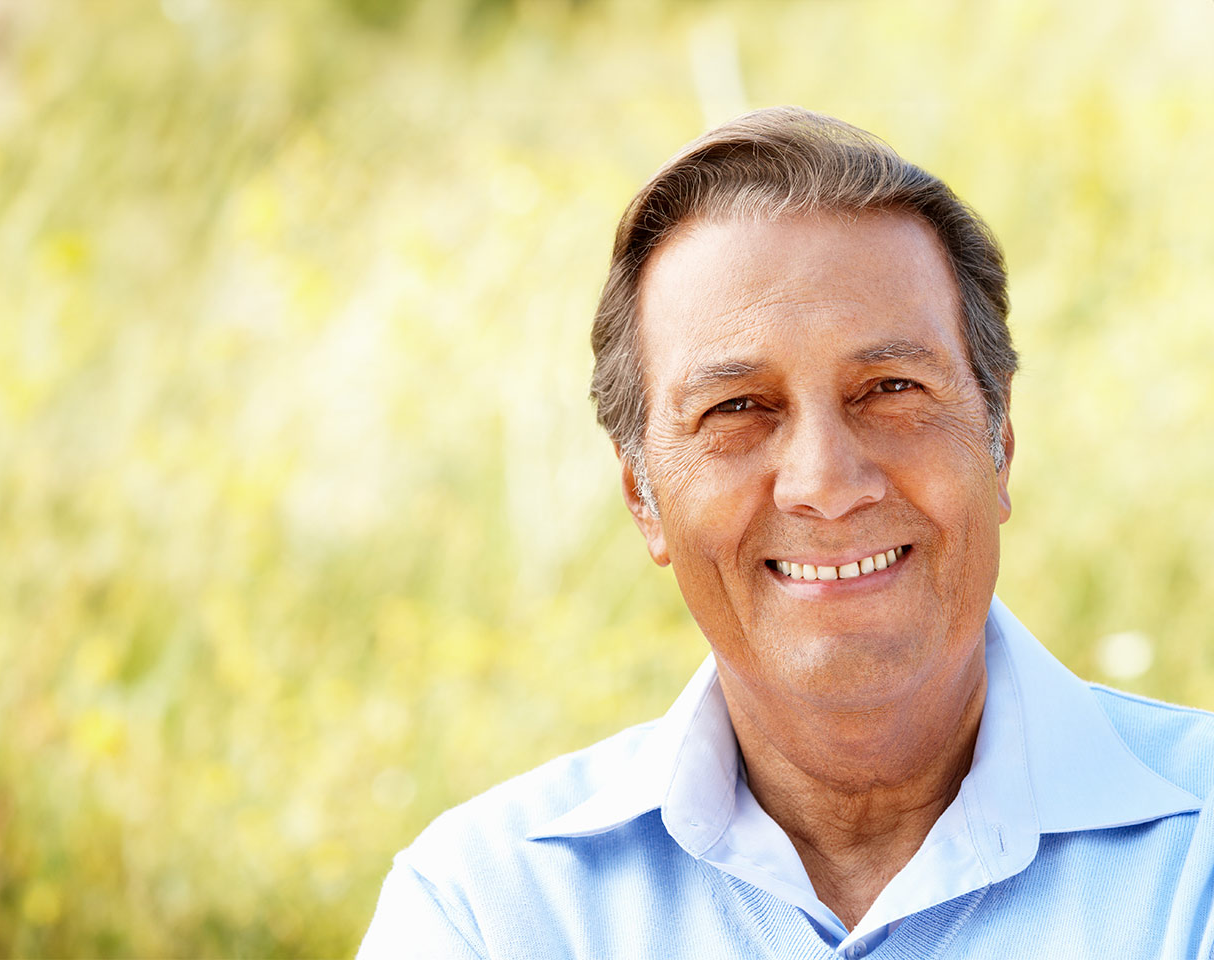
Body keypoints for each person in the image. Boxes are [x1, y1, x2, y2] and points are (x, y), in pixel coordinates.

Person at [357, 107, 1214, 959]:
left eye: (892, 388)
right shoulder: (489, 908)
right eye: (737, 407)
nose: (826, 485)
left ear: (1000, 445)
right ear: (643, 497)